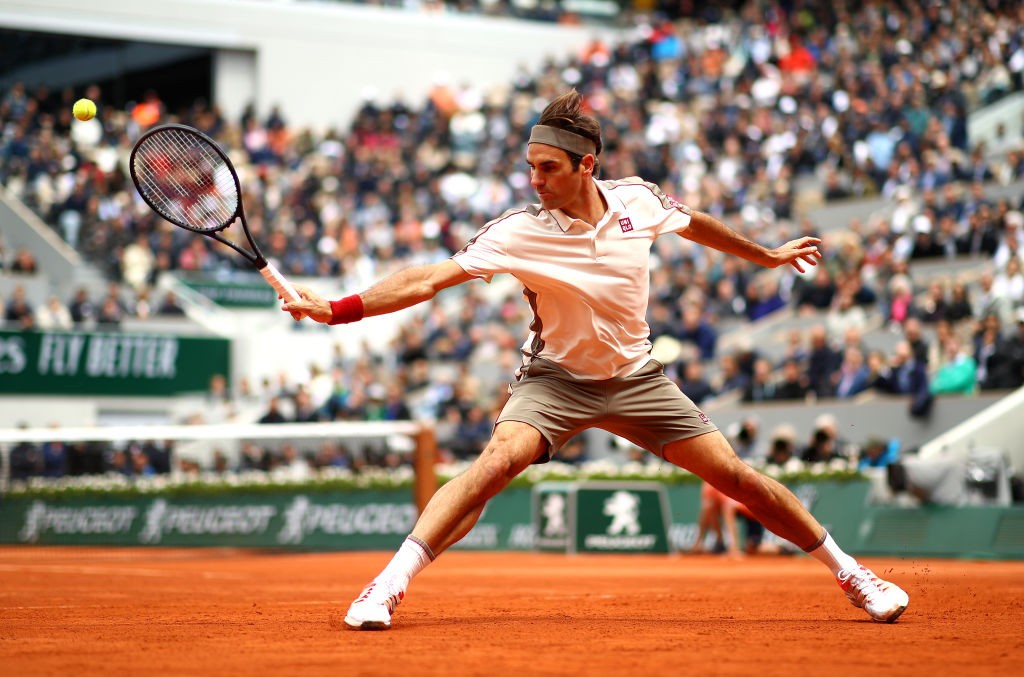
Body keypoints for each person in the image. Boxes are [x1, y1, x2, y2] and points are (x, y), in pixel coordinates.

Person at [282, 90, 908, 629]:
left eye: (548, 168)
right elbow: (424, 280)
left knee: (739, 480)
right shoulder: (516, 232)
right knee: (495, 464)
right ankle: (386, 585)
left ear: (586, 166)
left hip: (637, 378)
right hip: (556, 383)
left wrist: (766, 256)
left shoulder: (637, 201)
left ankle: (855, 577)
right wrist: (335, 309)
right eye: (529, 166)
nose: (535, 180)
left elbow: (694, 224)